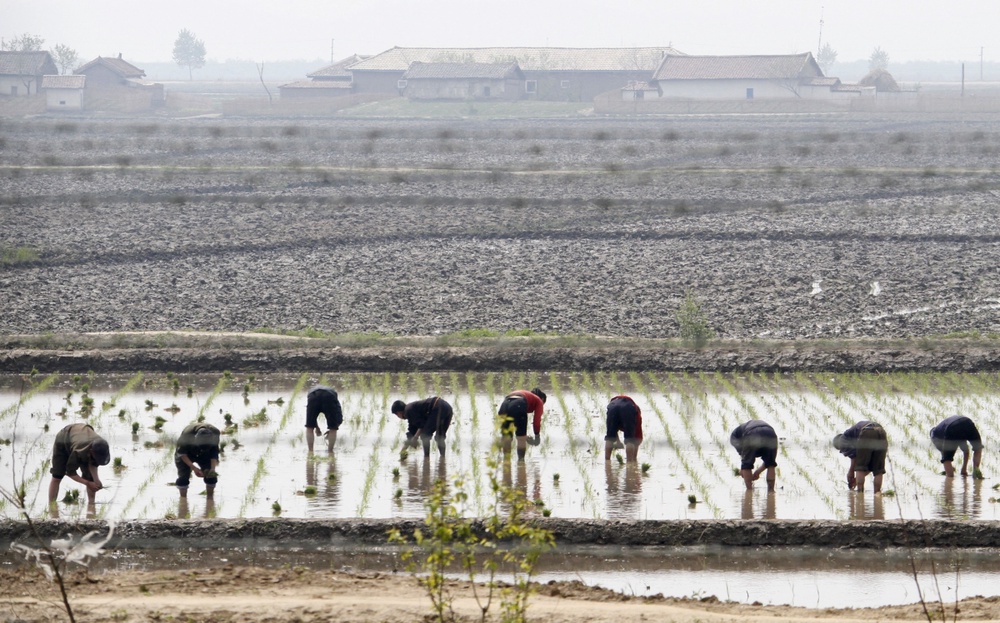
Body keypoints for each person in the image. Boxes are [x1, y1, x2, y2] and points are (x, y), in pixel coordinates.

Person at [48, 423, 110, 507]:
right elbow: (70, 472)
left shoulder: (100, 445)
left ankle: (91, 506)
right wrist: (87, 483)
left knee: (90, 477)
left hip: (83, 433)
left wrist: (96, 480)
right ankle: (51, 506)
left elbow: (93, 463)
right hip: (64, 438)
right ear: (91, 451)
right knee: (57, 476)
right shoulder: (78, 452)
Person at [833, 421, 888, 493]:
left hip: (867, 432)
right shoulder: (853, 435)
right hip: (881, 431)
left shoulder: (843, 439)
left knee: (860, 467)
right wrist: (856, 479)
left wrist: (851, 471)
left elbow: (855, 458)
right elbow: (870, 467)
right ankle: (877, 494)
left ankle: (860, 494)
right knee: (878, 470)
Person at [497, 388, 546, 461]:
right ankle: (521, 461)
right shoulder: (539, 400)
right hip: (519, 403)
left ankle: (506, 461)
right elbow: (536, 421)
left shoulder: (525, 394)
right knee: (521, 438)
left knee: (507, 437)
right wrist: (537, 436)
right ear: (542, 398)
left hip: (504, 404)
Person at [174, 422, 221, 498]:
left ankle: (210, 500)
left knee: (211, 476)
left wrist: (212, 468)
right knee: (183, 477)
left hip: (206, 453)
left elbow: (214, 452)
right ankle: (183, 501)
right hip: (187, 453)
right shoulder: (187, 435)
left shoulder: (215, 433)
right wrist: (194, 468)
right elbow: (182, 453)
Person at [730, 419, 778, 491]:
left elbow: (745, 461)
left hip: (752, 432)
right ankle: (771, 491)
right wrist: (758, 472)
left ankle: (749, 491)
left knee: (746, 464)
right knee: (771, 464)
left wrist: (743, 470)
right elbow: (769, 461)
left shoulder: (734, 437)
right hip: (770, 432)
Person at [605, 395, 642, 463]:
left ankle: (607, 461)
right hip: (628, 408)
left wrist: (618, 442)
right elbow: (637, 440)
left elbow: (613, 430)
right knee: (629, 439)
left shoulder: (615, 404)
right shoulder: (637, 415)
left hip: (612, 406)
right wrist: (634, 458)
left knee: (610, 437)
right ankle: (630, 462)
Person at [305, 384, 342, 453]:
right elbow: (339, 416)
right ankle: (330, 451)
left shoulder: (311, 392)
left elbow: (311, 418)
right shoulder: (333, 394)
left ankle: (310, 451)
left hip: (313, 395)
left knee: (309, 427)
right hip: (329, 397)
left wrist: (316, 427)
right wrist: (332, 429)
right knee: (333, 428)